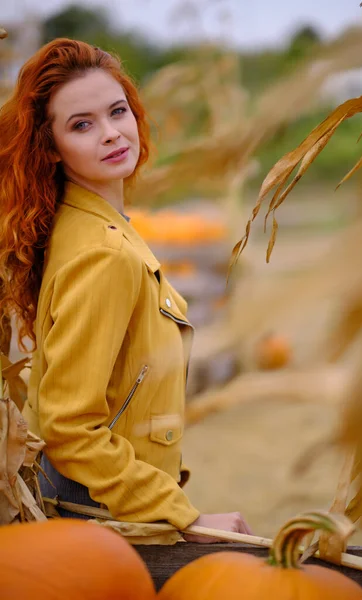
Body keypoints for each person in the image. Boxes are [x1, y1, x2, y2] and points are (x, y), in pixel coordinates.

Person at [0, 38, 251, 542]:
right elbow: (70, 427)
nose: (112, 134)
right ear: (50, 146)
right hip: (94, 516)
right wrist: (185, 515)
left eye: (118, 111)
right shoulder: (104, 253)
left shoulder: (81, 223)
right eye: (82, 124)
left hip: (92, 502)